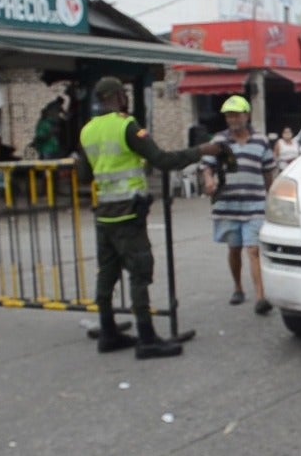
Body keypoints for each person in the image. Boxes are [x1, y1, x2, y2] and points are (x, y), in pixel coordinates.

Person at [76, 77, 228, 358]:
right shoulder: (126, 125)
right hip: (128, 213)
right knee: (139, 274)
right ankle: (147, 339)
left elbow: (85, 174)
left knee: (107, 275)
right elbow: (163, 160)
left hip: (104, 215)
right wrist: (201, 151)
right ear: (119, 96)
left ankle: (108, 333)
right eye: (124, 94)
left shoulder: (87, 131)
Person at [201, 95, 277, 315]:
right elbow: (207, 166)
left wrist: (270, 198)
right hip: (227, 205)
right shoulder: (219, 141)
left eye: (236, 115)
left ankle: (261, 297)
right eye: (228, 116)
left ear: (247, 115)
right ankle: (238, 287)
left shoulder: (261, 141)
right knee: (234, 249)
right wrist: (208, 180)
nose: (232, 119)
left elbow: (268, 171)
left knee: (253, 249)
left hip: (254, 204)